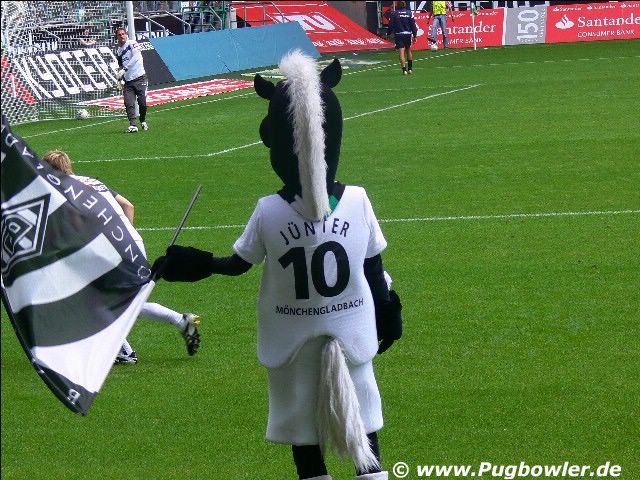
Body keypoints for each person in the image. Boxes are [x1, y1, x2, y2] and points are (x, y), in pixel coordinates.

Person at [153, 50, 403, 480]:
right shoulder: (358, 201)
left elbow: (236, 265)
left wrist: (186, 262)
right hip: (352, 332)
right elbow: (373, 267)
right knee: (365, 429)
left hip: (291, 340)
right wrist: (389, 311)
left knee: (305, 438)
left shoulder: (269, 211)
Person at [40, 150, 202, 364]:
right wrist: (125, 238)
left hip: (108, 250)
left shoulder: (62, 191)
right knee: (126, 300)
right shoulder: (92, 181)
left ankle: (125, 350)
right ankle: (180, 322)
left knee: (94, 299)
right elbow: (128, 205)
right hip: (131, 242)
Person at [114, 27, 149, 133]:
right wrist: (119, 80)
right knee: (128, 103)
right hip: (128, 82)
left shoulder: (132, 43)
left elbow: (136, 57)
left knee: (142, 103)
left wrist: (125, 69)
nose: (122, 36)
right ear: (117, 37)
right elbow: (120, 66)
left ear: (126, 34)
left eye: (123, 34)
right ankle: (133, 125)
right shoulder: (119, 51)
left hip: (140, 78)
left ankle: (142, 119)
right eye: (119, 35)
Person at [388, 1, 418, 75]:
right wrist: (415, 35)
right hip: (408, 34)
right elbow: (413, 25)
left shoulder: (394, 14)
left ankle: (404, 70)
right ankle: (410, 69)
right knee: (408, 51)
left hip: (399, 34)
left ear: (397, 6)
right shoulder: (409, 13)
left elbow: (390, 25)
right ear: (405, 5)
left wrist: (388, 34)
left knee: (401, 52)